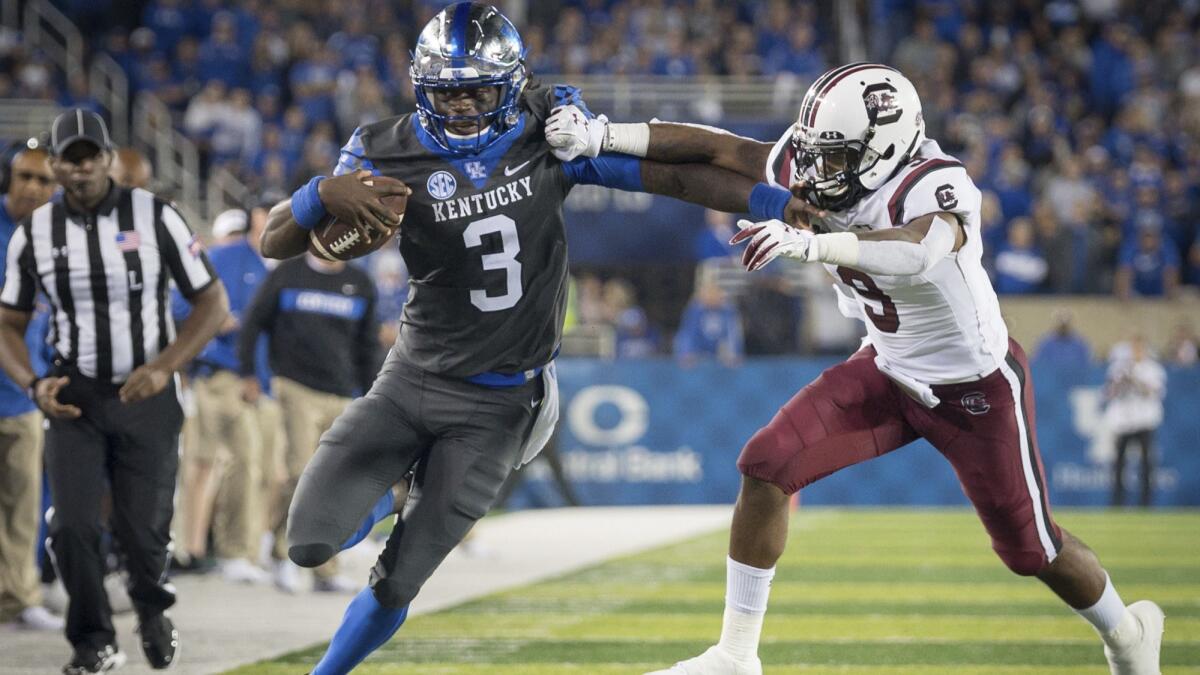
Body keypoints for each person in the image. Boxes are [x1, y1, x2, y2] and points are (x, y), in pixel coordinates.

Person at [547, 62, 1164, 675]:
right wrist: (603, 136)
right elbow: (712, 151)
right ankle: (735, 656)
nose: (815, 172)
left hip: (974, 389)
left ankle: (1128, 634)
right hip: (887, 368)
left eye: (835, 157)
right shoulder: (821, 160)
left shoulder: (932, 181)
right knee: (766, 466)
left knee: (1032, 550)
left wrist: (817, 245)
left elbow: (920, 249)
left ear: (883, 146)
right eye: (815, 154)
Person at [256, 4, 804, 673]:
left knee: (400, 577)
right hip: (412, 379)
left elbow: (675, 176)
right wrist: (319, 191)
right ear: (420, 87)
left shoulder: (547, 132)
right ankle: (389, 483)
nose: (460, 107)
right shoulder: (382, 147)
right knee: (310, 544)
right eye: (447, 91)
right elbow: (274, 240)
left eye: (477, 90)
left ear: (511, 84)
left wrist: (775, 203)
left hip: (500, 404)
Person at [0, 110, 228, 673]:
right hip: (75, 396)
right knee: (71, 525)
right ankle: (93, 641)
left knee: (143, 529)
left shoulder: (157, 216)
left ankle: (152, 609)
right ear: (54, 166)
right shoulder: (36, 232)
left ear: (109, 159)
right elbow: (7, 321)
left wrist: (166, 365)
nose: (79, 169)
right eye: (68, 160)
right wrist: (32, 383)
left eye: (89, 157)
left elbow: (213, 303)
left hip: (147, 392)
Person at [237, 250, 382, 594]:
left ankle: (323, 568)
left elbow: (368, 345)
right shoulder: (288, 273)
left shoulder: (359, 283)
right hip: (295, 386)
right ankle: (283, 556)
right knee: (301, 473)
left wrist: (374, 395)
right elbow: (254, 321)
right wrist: (248, 373)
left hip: (342, 392)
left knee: (334, 482)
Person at [174, 208, 271, 584]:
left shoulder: (270, 266)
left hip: (253, 382)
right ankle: (197, 549)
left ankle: (227, 549)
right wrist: (214, 322)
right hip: (216, 377)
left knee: (246, 467)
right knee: (206, 465)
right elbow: (180, 303)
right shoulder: (224, 256)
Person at [0, 141, 61, 631]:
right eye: (25, 177)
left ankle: (19, 597)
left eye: (44, 181)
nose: (33, 188)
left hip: (22, 392)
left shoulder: (55, 238)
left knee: (23, 505)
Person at [1104, 335, 1166, 507]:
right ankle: (1117, 502)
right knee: (1119, 463)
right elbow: (1108, 394)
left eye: (1140, 348)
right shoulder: (1118, 367)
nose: (1137, 352)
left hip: (1144, 420)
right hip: (1123, 422)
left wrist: (1135, 380)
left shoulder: (1153, 368)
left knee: (1146, 462)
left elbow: (1154, 393)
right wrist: (1121, 381)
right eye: (1134, 348)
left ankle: (1146, 502)